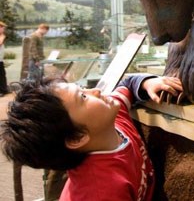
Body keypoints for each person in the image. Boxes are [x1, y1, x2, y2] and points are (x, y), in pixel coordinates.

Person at [0, 74, 182, 200]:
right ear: (77, 138)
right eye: (83, 97)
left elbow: (127, 85)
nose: (95, 91)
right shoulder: (102, 190)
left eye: (83, 89)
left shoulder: (113, 120)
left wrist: (148, 82)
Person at [0, 21, 9, 97]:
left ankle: (4, 90)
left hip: (0, 60)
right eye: (3, 28)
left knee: (2, 75)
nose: (3, 30)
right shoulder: (1, 36)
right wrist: (2, 37)